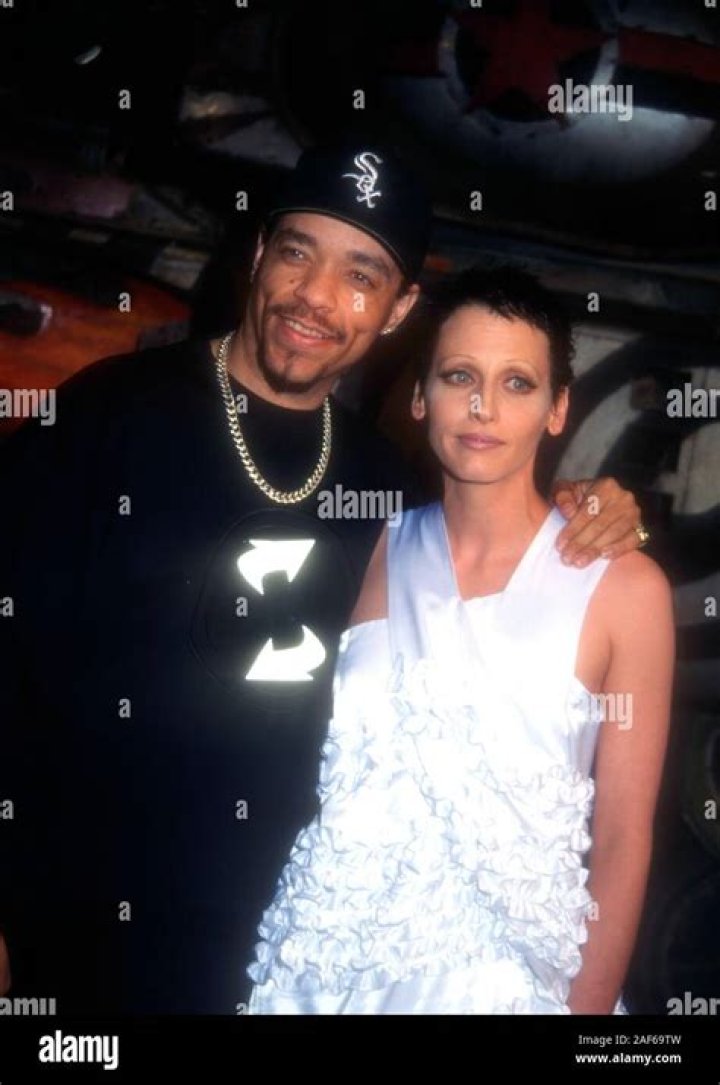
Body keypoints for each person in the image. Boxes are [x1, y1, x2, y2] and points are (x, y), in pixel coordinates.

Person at [0, 146, 645, 1015]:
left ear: (399, 308)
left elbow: (500, 548)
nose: (315, 296)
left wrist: (591, 506)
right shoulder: (103, 416)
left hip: (277, 963)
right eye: (298, 252)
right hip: (71, 938)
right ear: (258, 253)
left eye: (361, 275)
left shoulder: (391, 490)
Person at [246, 267, 674, 1015]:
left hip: (515, 987)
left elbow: (623, 837)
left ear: (557, 408)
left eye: (517, 383)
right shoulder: (358, 546)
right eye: (459, 376)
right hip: (324, 976)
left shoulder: (625, 588)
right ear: (420, 396)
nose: (483, 407)